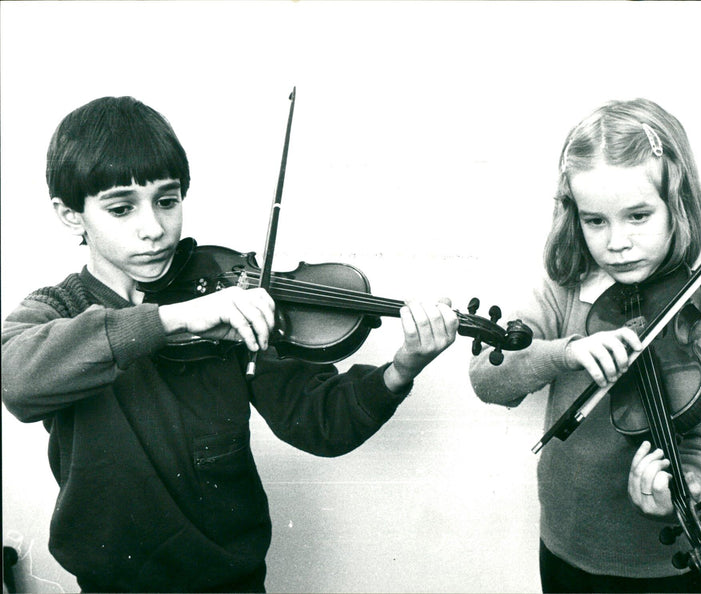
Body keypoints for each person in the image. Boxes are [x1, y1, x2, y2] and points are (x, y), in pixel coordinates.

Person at [1, 96, 459, 593]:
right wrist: (173, 319)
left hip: (230, 582)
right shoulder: (61, 307)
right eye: (120, 208)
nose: (154, 228)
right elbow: (15, 378)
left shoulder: (227, 291)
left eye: (167, 200)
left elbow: (319, 421)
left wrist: (401, 368)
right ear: (71, 216)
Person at [468, 99, 701, 593]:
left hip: (660, 565)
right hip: (564, 546)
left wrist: (683, 488)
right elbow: (489, 380)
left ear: (676, 206)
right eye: (596, 221)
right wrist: (566, 352)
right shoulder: (565, 291)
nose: (616, 242)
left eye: (637, 216)